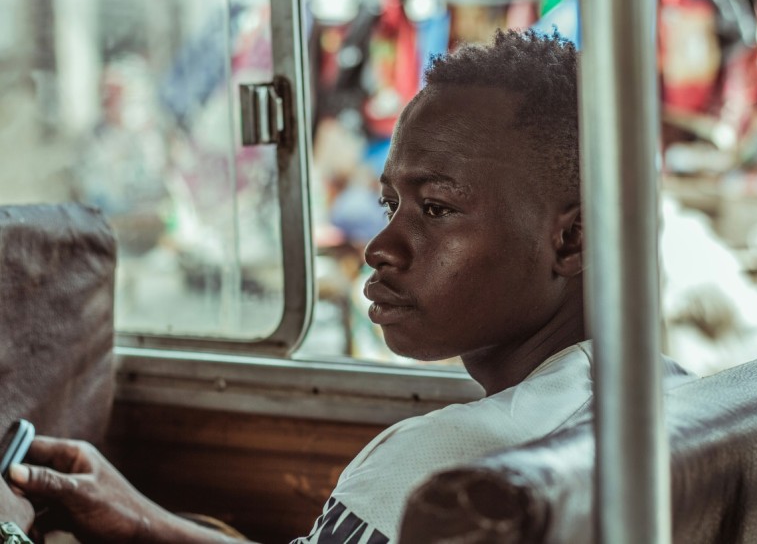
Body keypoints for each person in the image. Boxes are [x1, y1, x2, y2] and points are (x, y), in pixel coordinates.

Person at [0, 30, 691, 543]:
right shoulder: (673, 396)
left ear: (571, 240)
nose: (381, 248)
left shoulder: (436, 470)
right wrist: (148, 522)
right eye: (391, 205)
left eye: (438, 209)